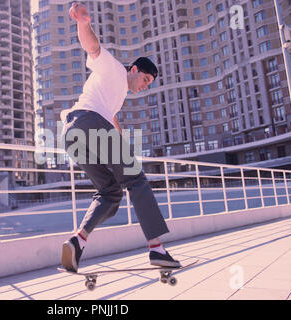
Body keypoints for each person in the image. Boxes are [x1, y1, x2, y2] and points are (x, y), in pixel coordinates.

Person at [60, 2, 181, 272]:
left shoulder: (116, 94)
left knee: (110, 192)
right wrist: (82, 22)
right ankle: (156, 249)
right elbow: (92, 47)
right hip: (89, 123)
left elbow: (113, 120)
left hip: (73, 134)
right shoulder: (114, 68)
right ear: (134, 70)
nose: (144, 86)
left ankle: (77, 242)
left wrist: (123, 146)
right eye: (145, 80)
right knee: (136, 179)